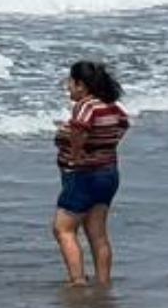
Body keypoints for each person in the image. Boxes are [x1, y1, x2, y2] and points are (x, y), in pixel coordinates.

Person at [52, 60, 131, 287]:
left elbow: (80, 129)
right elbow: (124, 124)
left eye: (71, 82)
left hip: (84, 175)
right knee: (97, 233)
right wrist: (107, 145)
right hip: (108, 173)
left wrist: (77, 155)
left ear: (81, 85)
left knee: (63, 228)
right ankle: (103, 282)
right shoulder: (111, 106)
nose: (68, 87)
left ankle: (77, 280)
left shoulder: (86, 106)